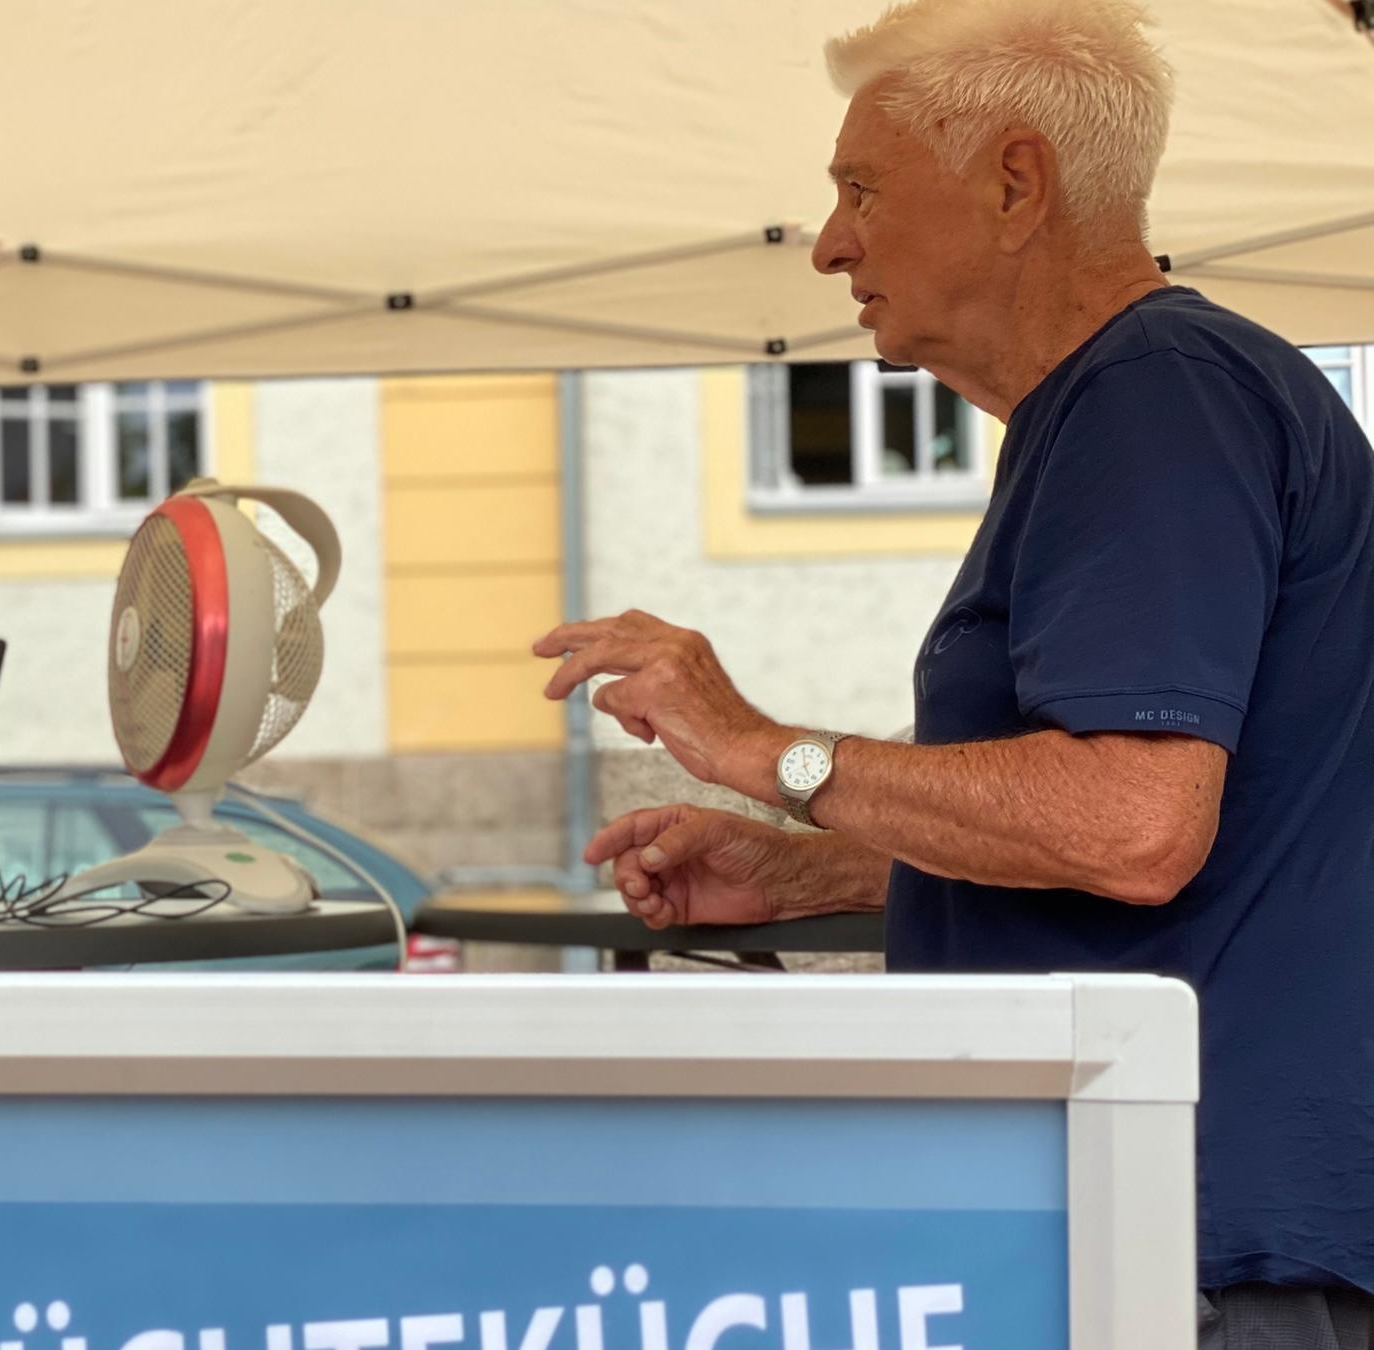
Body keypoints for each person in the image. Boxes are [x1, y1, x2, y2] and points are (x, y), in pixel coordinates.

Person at [536, 2, 1374, 1345]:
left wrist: (768, 749)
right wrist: (813, 863)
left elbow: (1133, 823)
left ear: (1016, 183)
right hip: (1182, 1220)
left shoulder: (1154, 392)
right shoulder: (1137, 400)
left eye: (859, 190)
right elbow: (1198, 828)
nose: (829, 245)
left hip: (1188, 1235)